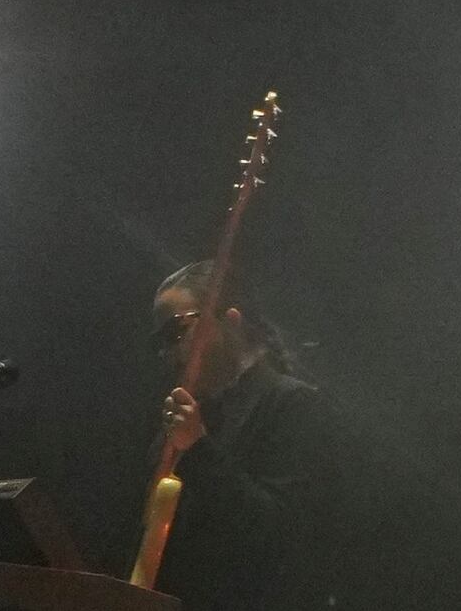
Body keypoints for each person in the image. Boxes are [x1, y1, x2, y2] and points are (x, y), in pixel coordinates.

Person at [142, 259, 333, 611]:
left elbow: (277, 532)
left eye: (175, 331)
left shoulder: (293, 403)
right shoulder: (200, 412)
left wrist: (197, 448)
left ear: (231, 319)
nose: (166, 351)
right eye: (160, 340)